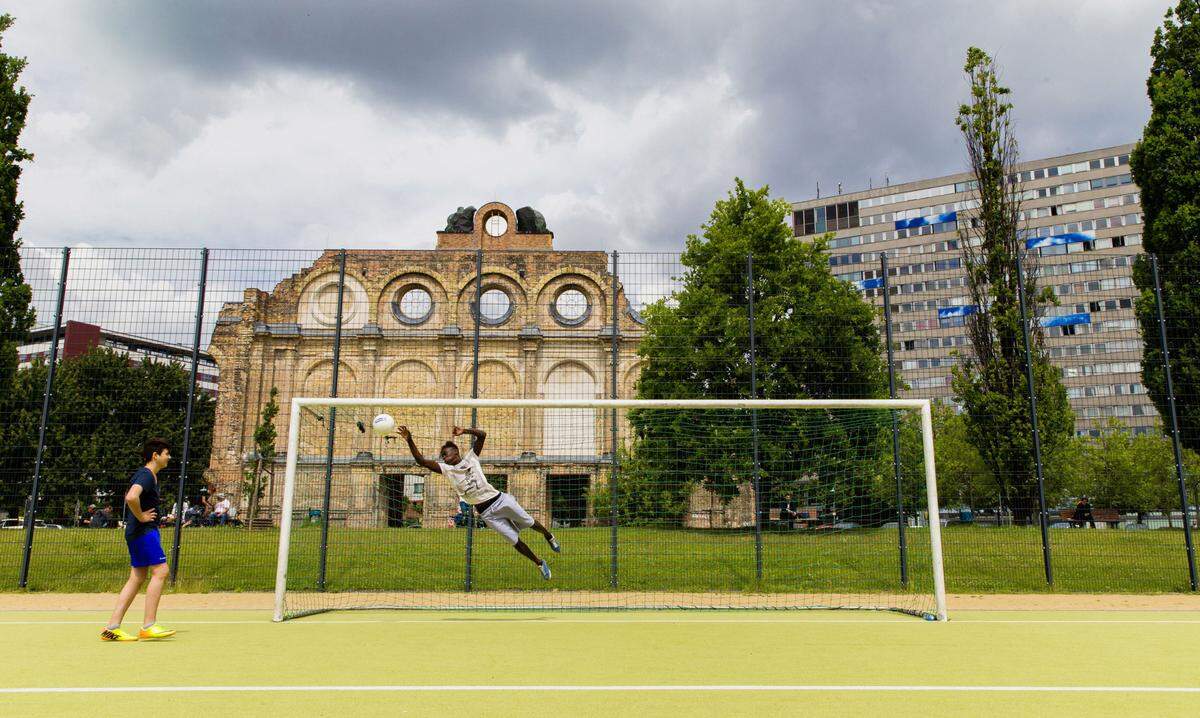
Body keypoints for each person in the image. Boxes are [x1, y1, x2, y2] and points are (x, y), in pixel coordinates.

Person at [398, 424, 560, 580]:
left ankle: (549, 536)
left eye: (445, 454)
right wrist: (409, 439)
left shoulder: (471, 457)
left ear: (455, 452)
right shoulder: (446, 470)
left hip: (500, 500)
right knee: (514, 540)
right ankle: (539, 563)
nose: (444, 458)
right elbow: (421, 461)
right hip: (487, 514)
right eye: (442, 457)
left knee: (530, 522)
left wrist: (464, 431)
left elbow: (482, 435)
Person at [100, 438, 176, 641]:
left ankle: (112, 628)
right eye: (166, 453)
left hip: (138, 532)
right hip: (143, 531)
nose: (169, 457)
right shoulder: (146, 475)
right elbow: (131, 497)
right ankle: (149, 625)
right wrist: (142, 516)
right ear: (155, 455)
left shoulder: (148, 476)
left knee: (137, 576)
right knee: (161, 570)